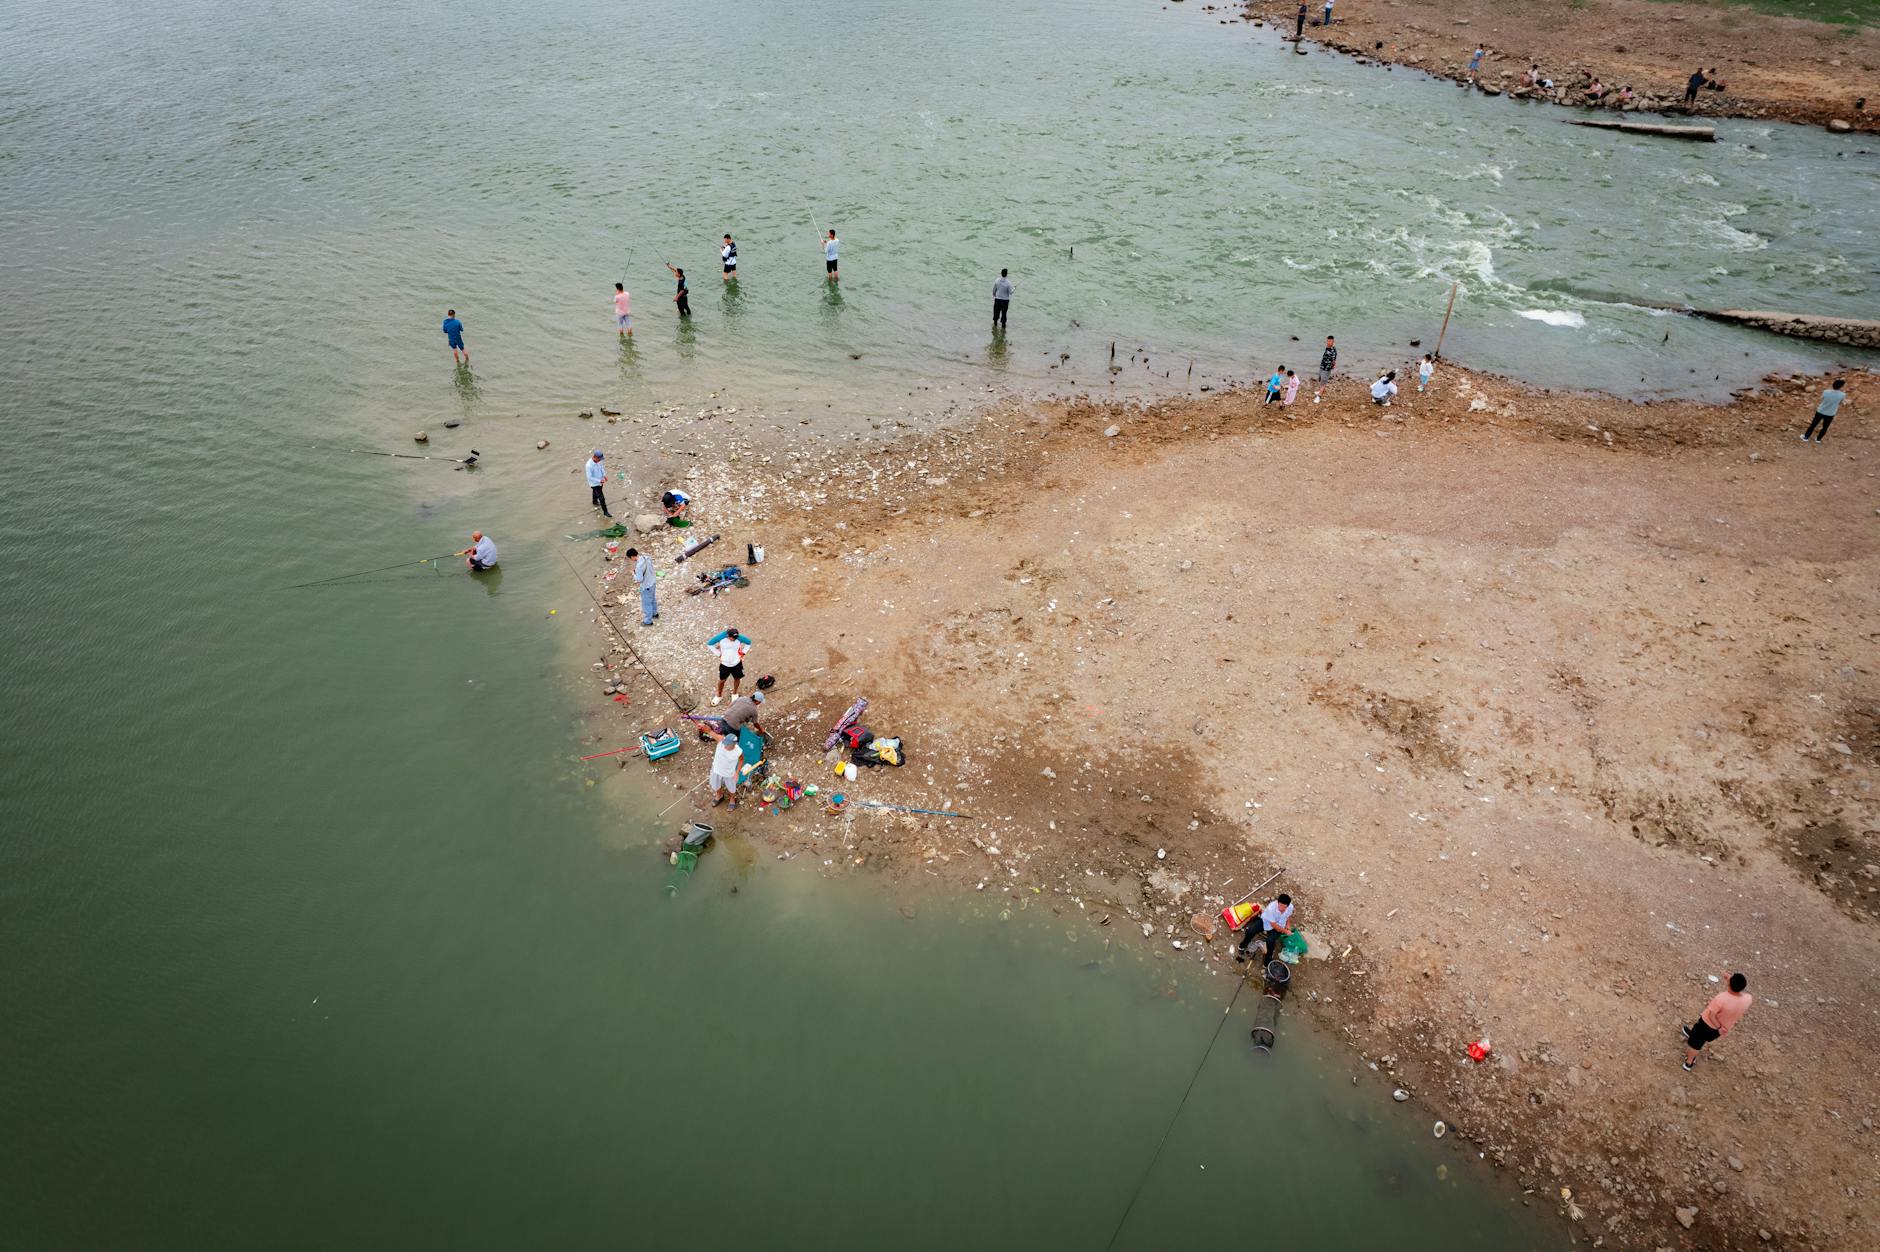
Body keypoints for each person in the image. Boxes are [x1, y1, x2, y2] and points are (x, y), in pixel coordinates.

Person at [1682, 972, 1753, 1070]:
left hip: (1707, 1025)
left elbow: (1712, 1015)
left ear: (1730, 984)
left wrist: (1718, 1027)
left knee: (1695, 1044)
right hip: (1722, 1029)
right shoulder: (1748, 999)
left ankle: (1689, 1062)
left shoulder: (1721, 998)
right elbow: (1737, 993)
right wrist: (1720, 1029)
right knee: (1701, 1038)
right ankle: (1694, 1036)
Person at [1235, 893, 1295, 965]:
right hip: (1267, 922)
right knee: (1250, 931)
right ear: (1277, 902)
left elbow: (1287, 916)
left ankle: (1268, 958)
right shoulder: (1271, 908)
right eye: (1280, 906)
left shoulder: (1290, 907)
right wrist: (1285, 931)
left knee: (1270, 941)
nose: (1282, 908)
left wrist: (1288, 925)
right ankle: (1243, 945)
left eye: (1284, 907)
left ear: (1288, 905)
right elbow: (1274, 925)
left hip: (1280, 925)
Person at [708, 627, 750, 703]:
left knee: (737, 679)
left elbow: (749, 643)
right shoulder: (721, 637)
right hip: (725, 664)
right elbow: (709, 644)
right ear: (728, 635)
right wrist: (718, 654)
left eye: (735, 638)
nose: (734, 639)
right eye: (732, 638)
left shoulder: (739, 637)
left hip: (736, 663)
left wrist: (743, 653)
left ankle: (734, 693)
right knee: (722, 681)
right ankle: (719, 695)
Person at [1803, 378, 1848, 443]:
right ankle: (1818, 439)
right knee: (1825, 427)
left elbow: (1822, 399)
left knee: (1813, 424)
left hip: (1821, 411)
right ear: (1841, 386)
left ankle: (1806, 437)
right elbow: (1840, 402)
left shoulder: (1826, 391)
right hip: (1830, 413)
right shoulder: (1843, 395)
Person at [709, 731, 745, 808]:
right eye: (725, 742)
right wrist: (702, 726)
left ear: (734, 744)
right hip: (716, 770)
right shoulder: (721, 741)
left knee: (732, 789)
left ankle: (732, 799)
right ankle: (719, 796)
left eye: (727, 744)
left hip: (729, 774)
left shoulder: (738, 751)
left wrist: (737, 773)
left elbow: (741, 760)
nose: (725, 745)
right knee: (716, 785)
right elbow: (709, 731)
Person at [630, 546, 657, 626]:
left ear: (632, 557)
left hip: (646, 586)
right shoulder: (646, 557)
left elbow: (639, 579)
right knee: (653, 599)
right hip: (653, 582)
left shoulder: (638, 566)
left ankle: (648, 621)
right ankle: (655, 613)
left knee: (646, 603)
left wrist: (633, 574)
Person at [585, 450, 612, 518]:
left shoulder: (599, 461)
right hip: (594, 483)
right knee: (602, 498)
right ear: (595, 457)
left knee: (596, 492)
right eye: (599, 459)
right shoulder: (589, 465)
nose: (600, 461)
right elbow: (589, 477)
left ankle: (594, 501)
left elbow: (601, 468)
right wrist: (599, 480)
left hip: (601, 480)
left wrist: (604, 475)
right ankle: (605, 512)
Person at [1313, 335, 1337, 403]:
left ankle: (1319, 397)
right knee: (1320, 379)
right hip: (1322, 366)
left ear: (1333, 341)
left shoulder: (1333, 351)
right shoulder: (1327, 347)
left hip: (1326, 369)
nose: (1328, 342)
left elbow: (1334, 361)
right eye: (1328, 341)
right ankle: (1321, 390)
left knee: (1323, 382)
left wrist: (1331, 367)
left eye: (1330, 341)